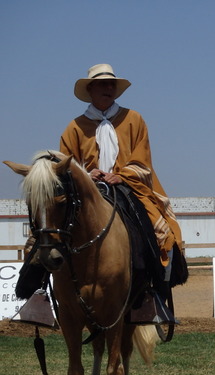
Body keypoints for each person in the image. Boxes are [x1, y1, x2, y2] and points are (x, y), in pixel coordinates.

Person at [60, 63, 182, 283]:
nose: (108, 88)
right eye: (102, 84)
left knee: (159, 230)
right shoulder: (74, 128)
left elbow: (143, 160)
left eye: (111, 84)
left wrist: (122, 176)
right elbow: (65, 166)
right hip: (87, 190)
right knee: (48, 231)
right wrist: (86, 175)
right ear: (90, 90)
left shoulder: (134, 119)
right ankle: (40, 291)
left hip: (128, 187)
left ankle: (157, 288)